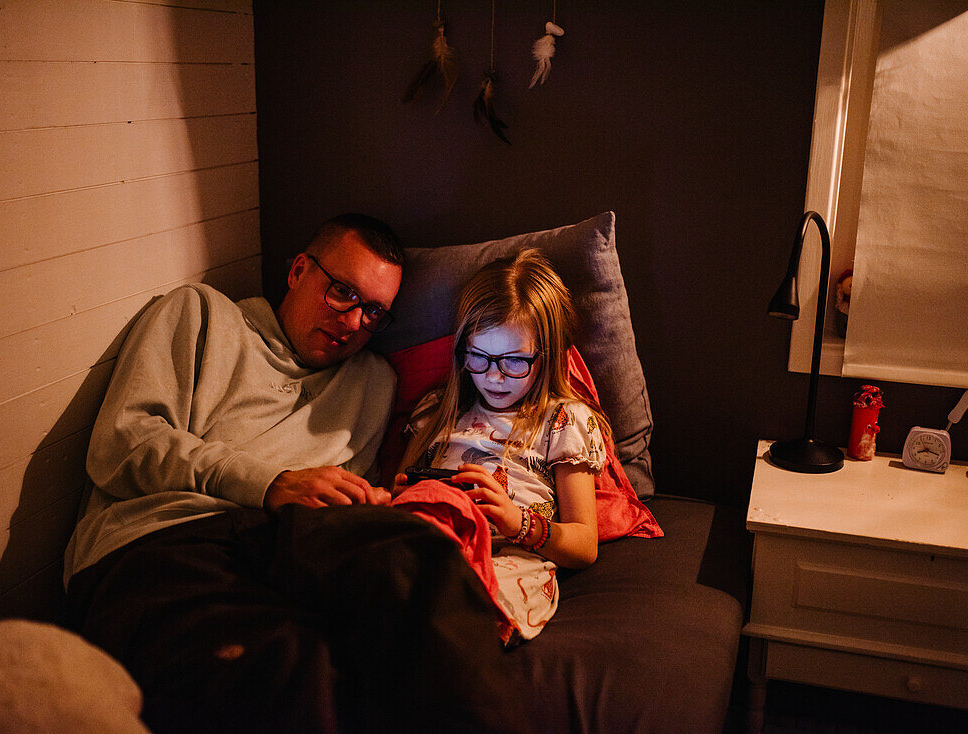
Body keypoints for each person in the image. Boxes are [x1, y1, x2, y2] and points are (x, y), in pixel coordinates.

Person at [63, 214, 529, 734]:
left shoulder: (372, 382)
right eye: (342, 293)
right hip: (167, 538)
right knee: (284, 672)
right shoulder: (200, 314)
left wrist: (375, 501)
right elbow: (121, 442)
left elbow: (344, 509)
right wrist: (268, 484)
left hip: (295, 543)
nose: (354, 322)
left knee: (417, 554)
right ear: (299, 271)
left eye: (374, 311)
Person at [394, 249, 606, 643]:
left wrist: (516, 522)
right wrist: (405, 495)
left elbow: (584, 544)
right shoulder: (435, 412)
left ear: (546, 355)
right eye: (479, 356)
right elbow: (402, 487)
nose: (493, 377)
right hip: (430, 542)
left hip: (509, 558)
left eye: (513, 361)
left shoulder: (564, 419)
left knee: (466, 599)